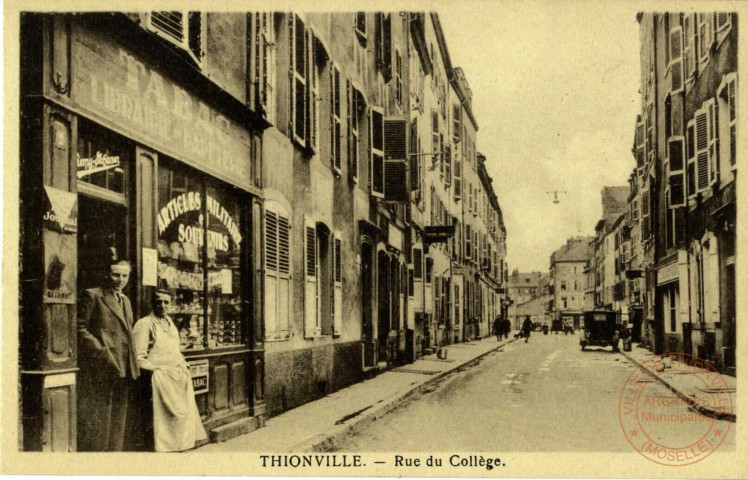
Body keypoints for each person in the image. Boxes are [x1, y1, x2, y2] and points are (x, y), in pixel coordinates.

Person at [77, 259, 140, 451]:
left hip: (124, 365)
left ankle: (114, 457)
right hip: (104, 365)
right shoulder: (93, 295)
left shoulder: (126, 301)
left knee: (118, 418)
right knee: (102, 418)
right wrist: (102, 352)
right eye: (116, 274)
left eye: (124, 275)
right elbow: (79, 328)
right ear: (107, 274)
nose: (120, 279)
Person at [133, 290, 207, 452]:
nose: (162, 306)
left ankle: (179, 446)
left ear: (171, 304)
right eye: (158, 302)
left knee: (181, 415)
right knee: (162, 420)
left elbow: (174, 350)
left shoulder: (170, 323)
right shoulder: (144, 324)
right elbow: (138, 357)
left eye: (166, 302)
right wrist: (158, 371)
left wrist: (183, 364)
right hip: (157, 378)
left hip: (176, 376)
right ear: (152, 303)